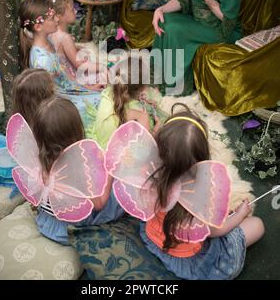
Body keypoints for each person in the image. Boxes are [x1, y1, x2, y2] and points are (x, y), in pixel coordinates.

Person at [139, 105, 265, 280]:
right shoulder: (201, 194)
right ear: (202, 160)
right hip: (192, 261)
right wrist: (239, 214)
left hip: (154, 238)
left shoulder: (148, 174)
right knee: (257, 225)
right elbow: (214, 232)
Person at [31, 96, 124, 245]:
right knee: (120, 187)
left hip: (48, 222)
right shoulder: (80, 168)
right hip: (70, 227)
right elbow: (99, 204)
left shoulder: (40, 157)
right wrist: (110, 174)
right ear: (76, 131)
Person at [18, 0, 101, 131]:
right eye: (52, 18)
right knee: (101, 104)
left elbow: (65, 76)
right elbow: (49, 98)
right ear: (38, 26)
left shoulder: (49, 42)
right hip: (62, 103)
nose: (57, 19)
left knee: (102, 94)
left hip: (69, 89)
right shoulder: (42, 61)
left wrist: (87, 87)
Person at [90, 55, 166, 148]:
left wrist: (140, 98)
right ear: (141, 89)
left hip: (99, 141)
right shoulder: (141, 115)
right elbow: (146, 147)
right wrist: (157, 126)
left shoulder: (109, 91)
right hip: (117, 155)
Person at [47, 0, 107, 85]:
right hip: (70, 78)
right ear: (59, 16)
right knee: (104, 75)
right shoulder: (65, 37)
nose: (75, 11)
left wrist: (75, 48)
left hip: (61, 73)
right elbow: (80, 65)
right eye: (71, 9)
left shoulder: (52, 32)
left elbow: (62, 52)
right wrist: (101, 67)